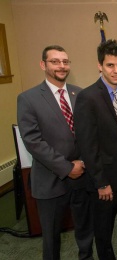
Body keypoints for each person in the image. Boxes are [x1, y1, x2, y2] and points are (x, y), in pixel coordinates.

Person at [17, 45, 93, 260]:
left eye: (65, 61)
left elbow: (89, 133)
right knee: (51, 237)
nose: (62, 66)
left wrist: (84, 163)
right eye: (55, 61)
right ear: (43, 65)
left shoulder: (80, 94)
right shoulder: (28, 98)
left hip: (82, 177)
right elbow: (32, 141)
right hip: (51, 180)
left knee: (86, 230)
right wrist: (67, 167)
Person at [73, 39, 117, 260]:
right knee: (104, 232)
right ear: (100, 66)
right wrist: (101, 182)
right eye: (110, 65)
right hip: (105, 181)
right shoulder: (87, 97)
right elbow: (87, 145)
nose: (116, 70)